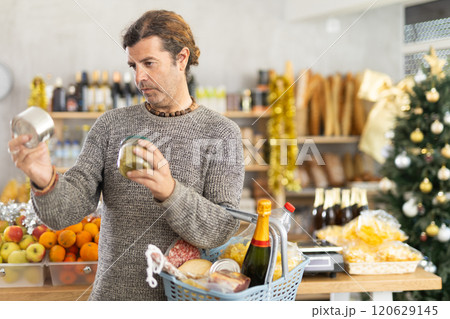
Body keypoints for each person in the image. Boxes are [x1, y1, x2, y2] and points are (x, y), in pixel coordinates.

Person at [8, 10, 244, 300]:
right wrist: (44, 179)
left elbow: (221, 229)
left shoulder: (222, 133)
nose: (138, 77)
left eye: (149, 64)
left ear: (181, 59)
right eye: (133, 65)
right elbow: (64, 213)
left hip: (185, 302)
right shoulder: (111, 125)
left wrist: (170, 192)